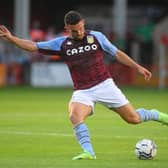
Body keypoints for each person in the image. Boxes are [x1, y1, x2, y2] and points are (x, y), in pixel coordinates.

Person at [0, 10, 168, 160]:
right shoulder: (61, 44)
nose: (79, 32)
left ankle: (159, 116)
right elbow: (34, 46)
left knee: (133, 119)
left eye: (80, 28)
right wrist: (12, 39)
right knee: (74, 116)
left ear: (83, 24)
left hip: (104, 85)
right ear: (67, 28)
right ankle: (89, 152)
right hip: (83, 91)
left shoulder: (97, 37)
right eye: (74, 30)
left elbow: (116, 53)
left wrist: (137, 67)